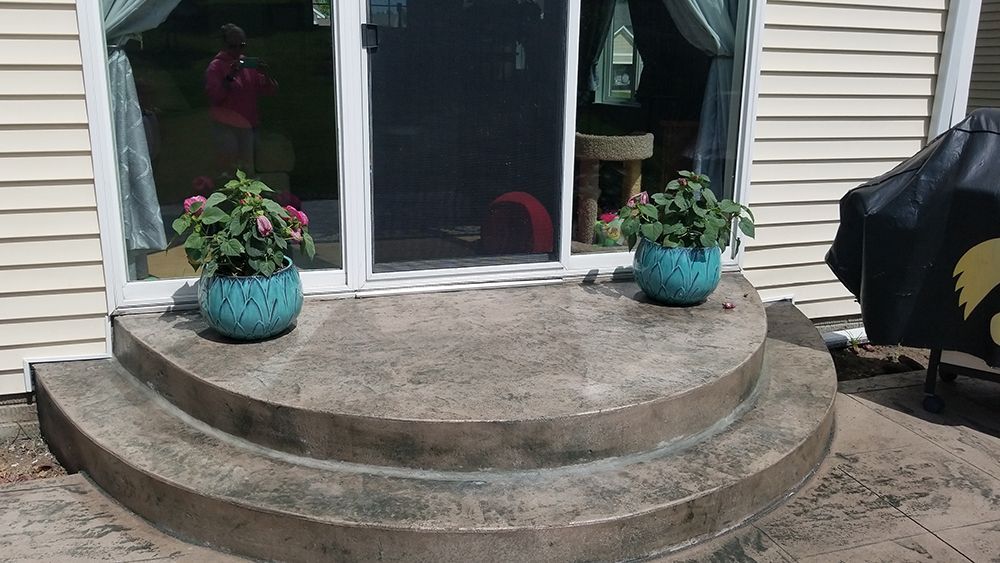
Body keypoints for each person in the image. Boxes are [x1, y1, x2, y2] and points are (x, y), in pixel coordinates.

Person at [205, 23, 277, 176]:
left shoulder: (247, 65)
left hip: (248, 124)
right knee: (229, 169)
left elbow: (269, 91)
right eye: (233, 46)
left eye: (242, 45)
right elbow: (215, 97)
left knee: (248, 169)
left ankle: (248, 199)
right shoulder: (216, 67)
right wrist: (230, 76)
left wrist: (266, 74)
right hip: (226, 126)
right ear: (224, 45)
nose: (238, 50)